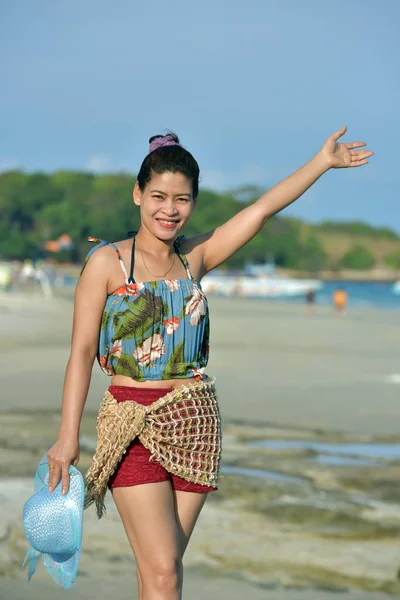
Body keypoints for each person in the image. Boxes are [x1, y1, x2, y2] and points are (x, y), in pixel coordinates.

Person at [46, 126, 372, 599]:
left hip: (197, 426)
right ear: (138, 194)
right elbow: (79, 354)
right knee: (162, 572)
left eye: (181, 199)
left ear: (193, 203)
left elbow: (260, 210)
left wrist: (321, 162)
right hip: (132, 424)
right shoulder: (107, 264)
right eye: (158, 195)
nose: (169, 209)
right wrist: (66, 436)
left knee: (163, 572)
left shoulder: (195, 258)